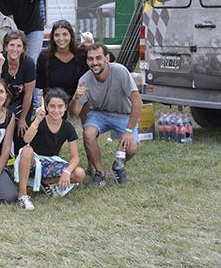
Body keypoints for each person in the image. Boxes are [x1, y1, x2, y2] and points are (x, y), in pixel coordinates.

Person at [70, 43, 142, 187]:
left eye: (98, 58)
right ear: (87, 61)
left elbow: (137, 102)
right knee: (88, 133)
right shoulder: (84, 80)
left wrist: (128, 131)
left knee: (131, 148)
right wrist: (76, 98)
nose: (94, 62)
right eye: (90, 59)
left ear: (107, 58)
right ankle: (99, 173)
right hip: (100, 113)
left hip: (123, 114)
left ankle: (118, 165)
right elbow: (74, 114)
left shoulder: (120, 71)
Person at [12, 89, 86, 211]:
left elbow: (75, 156)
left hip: (50, 164)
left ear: (65, 107)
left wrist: (67, 172)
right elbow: (26, 139)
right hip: (32, 162)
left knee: (79, 173)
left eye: (60, 106)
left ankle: (46, 182)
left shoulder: (68, 127)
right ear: (46, 106)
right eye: (52, 106)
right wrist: (37, 120)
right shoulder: (40, 121)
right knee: (27, 150)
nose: (56, 110)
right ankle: (22, 195)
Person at [0, 30, 36, 155]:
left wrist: (22, 119)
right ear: (5, 46)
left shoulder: (28, 63)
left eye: (19, 46)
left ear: (23, 48)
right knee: (0, 129)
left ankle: (20, 160)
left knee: (21, 131)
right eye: (11, 45)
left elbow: (29, 94)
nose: (14, 49)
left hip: (21, 101)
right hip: (2, 101)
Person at [36, 20, 94, 99]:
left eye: (65, 34)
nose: (61, 38)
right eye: (57, 35)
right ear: (52, 37)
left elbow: (108, 61)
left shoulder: (82, 53)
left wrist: (92, 47)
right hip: (54, 105)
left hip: (79, 102)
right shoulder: (44, 57)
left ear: (71, 35)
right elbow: (43, 87)